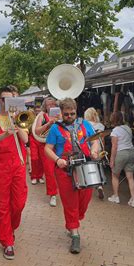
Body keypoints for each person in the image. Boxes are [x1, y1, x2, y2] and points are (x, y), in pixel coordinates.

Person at [44, 98, 99, 254]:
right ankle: (75, 235)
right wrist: (57, 159)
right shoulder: (55, 128)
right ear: (61, 113)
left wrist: (94, 150)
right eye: (66, 114)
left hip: (85, 166)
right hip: (65, 169)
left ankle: (73, 221)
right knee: (70, 202)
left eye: (72, 113)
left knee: (85, 199)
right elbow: (47, 149)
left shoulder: (85, 124)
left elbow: (95, 140)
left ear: (76, 111)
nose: (69, 116)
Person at [0, 86, 29, 260]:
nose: (6, 102)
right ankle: (7, 242)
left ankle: (10, 229)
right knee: (2, 206)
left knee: (18, 203)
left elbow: (26, 141)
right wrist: (5, 134)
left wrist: (17, 125)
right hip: (0, 166)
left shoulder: (20, 119)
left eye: (10, 99)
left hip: (17, 165)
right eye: (3, 99)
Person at [33, 97, 60, 207]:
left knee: (61, 170)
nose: (52, 106)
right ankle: (52, 194)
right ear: (45, 106)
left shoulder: (60, 114)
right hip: (46, 145)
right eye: (49, 104)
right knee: (49, 171)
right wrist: (48, 124)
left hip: (59, 144)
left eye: (53, 104)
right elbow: (37, 131)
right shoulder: (41, 115)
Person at [108, 111, 134, 207]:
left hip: (121, 153)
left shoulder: (115, 131)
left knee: (115, 175)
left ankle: (116, 196)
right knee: (130, 177)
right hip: (131, 152)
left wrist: (111, 160)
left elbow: (114, 146)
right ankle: (133, 199)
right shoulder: (128, 128)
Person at [84, 107, 107, 199]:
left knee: (89, 166)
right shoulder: (101, 126)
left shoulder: (86, 124)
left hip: (90, 147)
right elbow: (102, 139)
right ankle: (100, 185)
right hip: (99, 148)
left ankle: (90, 183)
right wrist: (103, 149)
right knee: (98, 166)